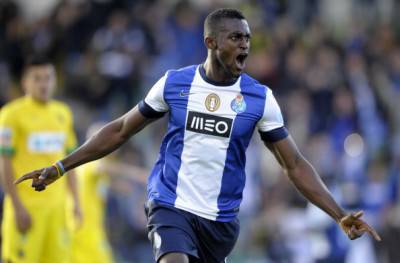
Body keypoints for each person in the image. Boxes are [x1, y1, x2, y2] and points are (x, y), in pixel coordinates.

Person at [15, 9, 381, 263]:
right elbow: (121, 130)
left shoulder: (259, 98)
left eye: (248, 39)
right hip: (170, 205)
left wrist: (338, 214)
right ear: (210, 41)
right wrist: (62, 167)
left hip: (219, 222)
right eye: (235, 37)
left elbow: (295, 165)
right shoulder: (175, 84)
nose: (245, 46)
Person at [0, 55, 82, 263]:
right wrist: (17, 206)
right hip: (27, 209)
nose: (44, 84)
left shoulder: (63, 113)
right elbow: (5, 162)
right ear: (25, 82)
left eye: (48, 78)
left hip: (57, 212)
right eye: (37, 78)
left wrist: (76, 202)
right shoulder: (11, 114)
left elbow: (69, 161)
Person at [70, 123, 148, 263]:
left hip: (92, 229)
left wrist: (122, 187)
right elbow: (102, 168)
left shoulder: (95, 169)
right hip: (82, 230)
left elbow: (104, 182)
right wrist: (136, 174)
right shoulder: (89, 162)